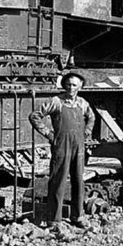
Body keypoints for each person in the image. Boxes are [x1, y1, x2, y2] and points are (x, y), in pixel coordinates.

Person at [29, 72, 95, 236]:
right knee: (58, 181)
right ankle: (54, 220)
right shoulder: (56, 102)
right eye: (68, 84)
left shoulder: (82, 103)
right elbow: (35, 116)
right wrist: (49, 135)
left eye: (74, 85)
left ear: (80, 87)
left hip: (79, 146)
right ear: (64, 85)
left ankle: (78, 216)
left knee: (79, 181)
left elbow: (91, 117)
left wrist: (86, 133)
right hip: (61, 146)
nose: (71, 88)